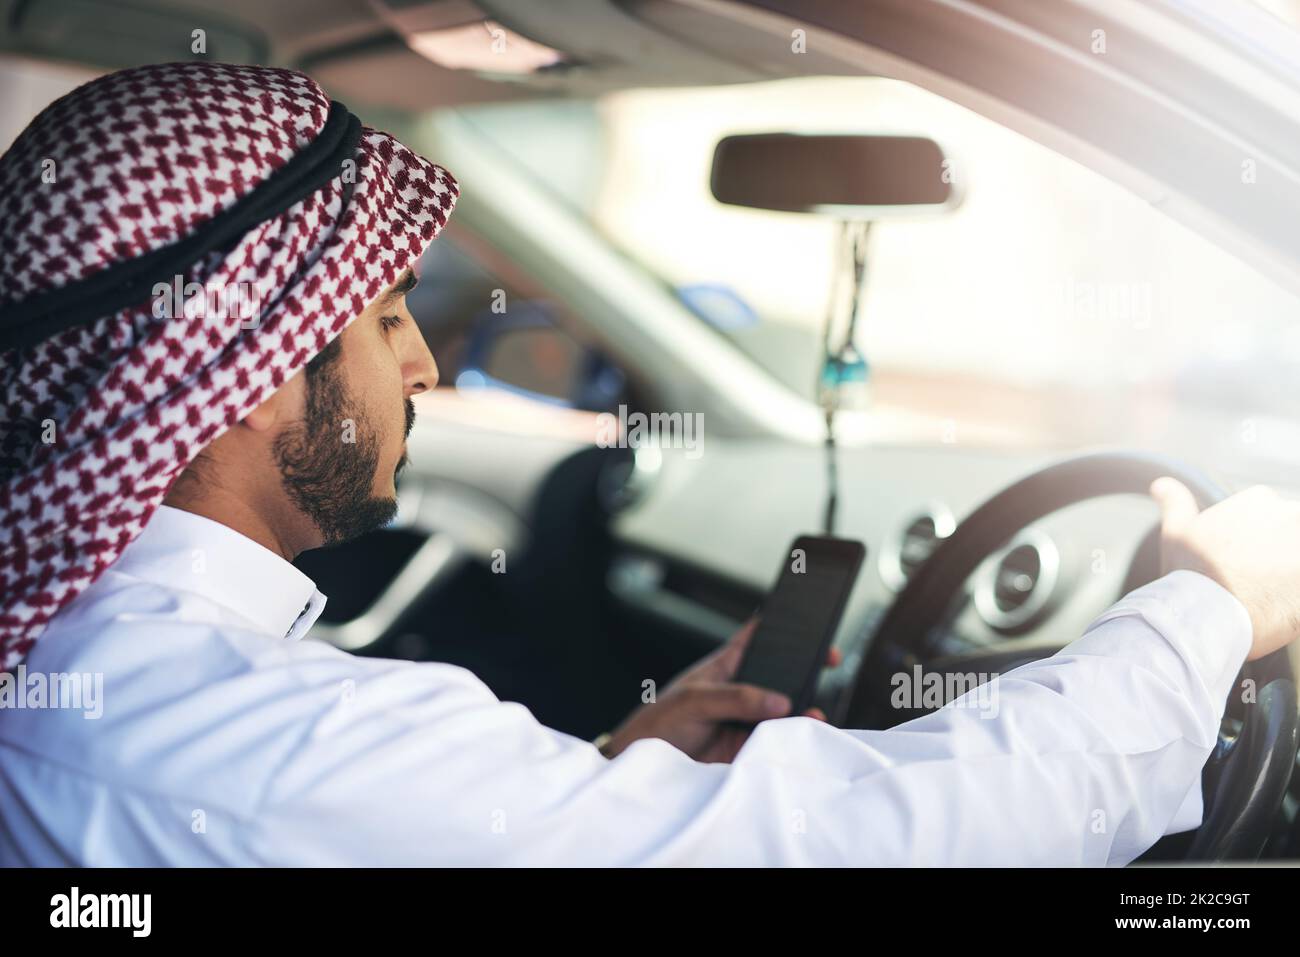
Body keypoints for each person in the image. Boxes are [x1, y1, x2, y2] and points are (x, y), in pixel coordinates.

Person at [2, 62, 1299, 866]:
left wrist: (611, 779)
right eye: (388, 318)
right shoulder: (273, 749)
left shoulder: (93, 666)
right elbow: (902, 843)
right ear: (237, 367)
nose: (424, 373)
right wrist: (1203, 606)